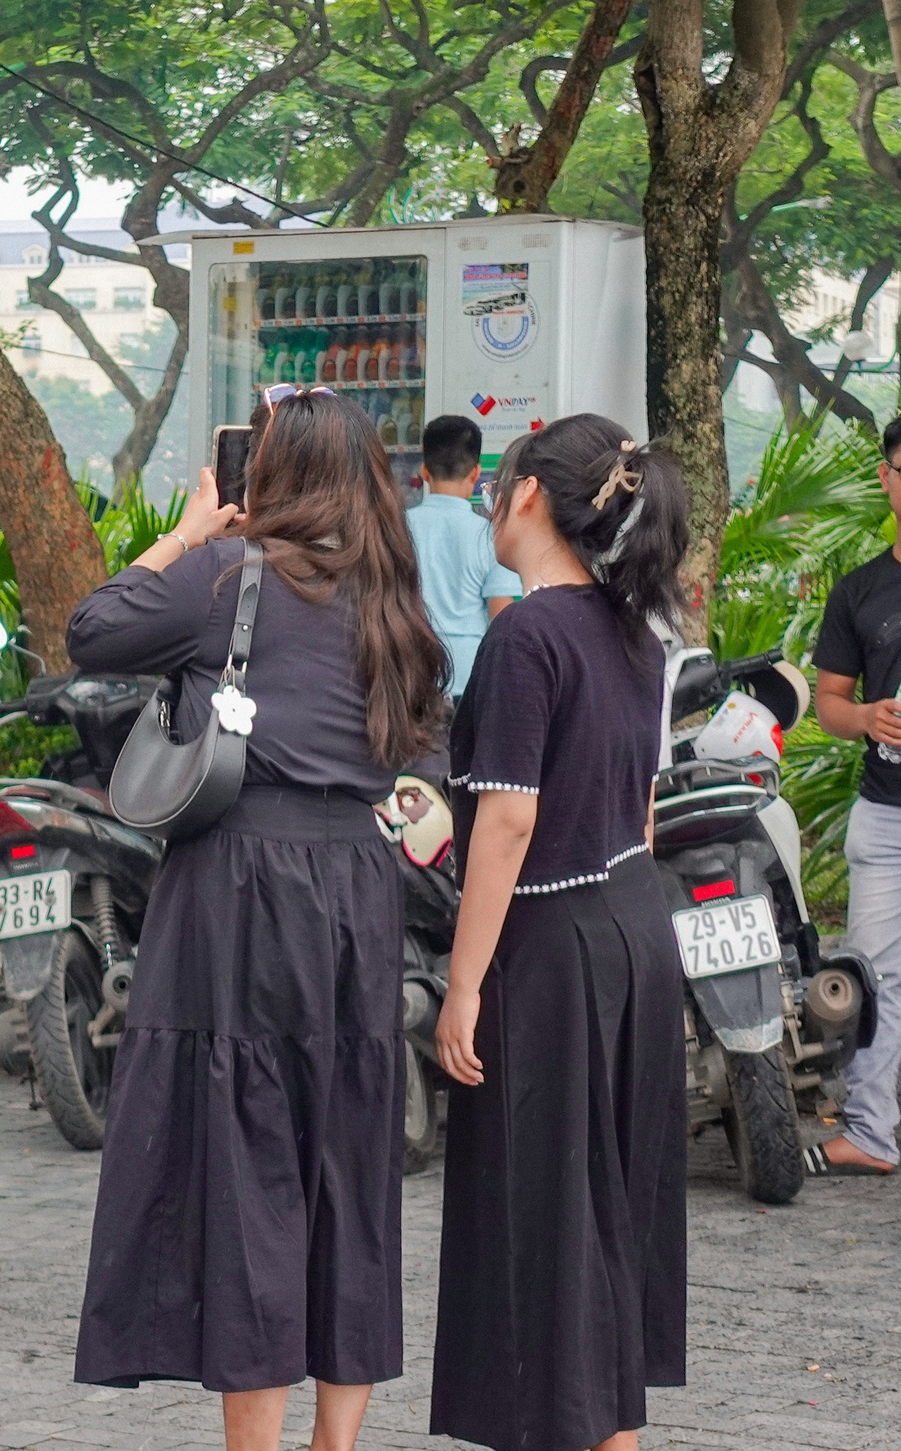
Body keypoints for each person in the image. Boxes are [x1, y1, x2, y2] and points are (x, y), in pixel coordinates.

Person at [70, 387, 448, 1451]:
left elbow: (90, 629)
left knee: (251, 1170)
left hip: (237, 890)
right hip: (354, 893)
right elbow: (424, 759)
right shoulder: (393, 597)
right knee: (347, 1165)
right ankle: (336, 1441)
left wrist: (186, 532)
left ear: (265, 474)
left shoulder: (224, 576)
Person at [431, 414, 691, 1451]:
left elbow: (505, 821)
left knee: (543, 1223)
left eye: (503, 478)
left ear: (530, 493)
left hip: (549, 948)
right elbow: (635, 809)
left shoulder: (526, 634)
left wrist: (461, 982)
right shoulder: (633, 630)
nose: (494, 491)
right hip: (630, 924)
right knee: (605, 1213)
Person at [808, 414, 901, 1176]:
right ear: (887, 478)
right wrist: (868, 716)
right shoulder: (861, 589)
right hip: (886, 814)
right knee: (873, 975)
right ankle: (871, 1131)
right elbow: (827, 703)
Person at [407, 414, 521, 698]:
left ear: (424, 472)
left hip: (410, 671)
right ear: (475, 473)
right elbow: (501, 617)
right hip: (470, 676)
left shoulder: (397, 528)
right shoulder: (489, 534)